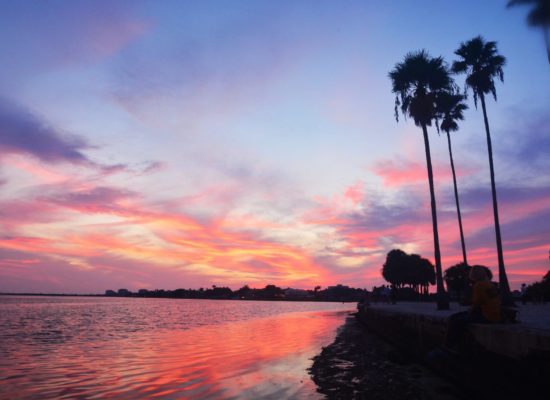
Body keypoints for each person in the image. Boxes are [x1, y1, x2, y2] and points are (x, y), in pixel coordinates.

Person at [444, 265, 501, 351]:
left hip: (487, 316)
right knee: (456, 317)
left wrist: (470, 310)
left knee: (456, 320)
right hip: (496, 315)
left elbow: (476, 303)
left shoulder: (478, 285)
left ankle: (450, 344)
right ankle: (452, 344)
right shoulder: (490, 284)